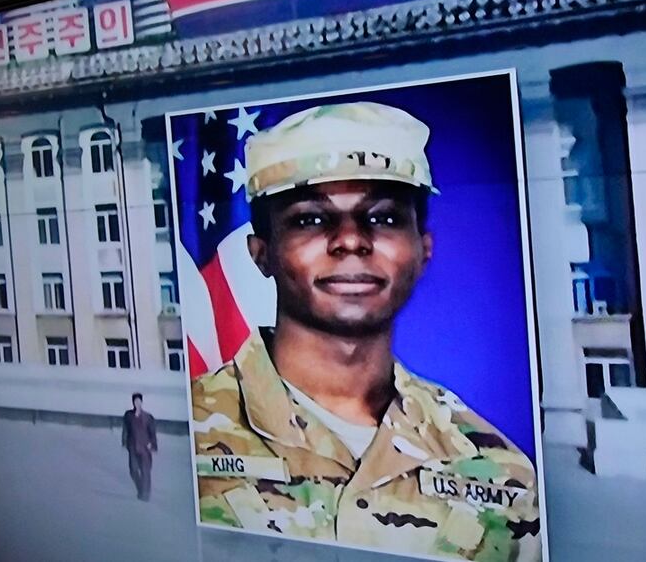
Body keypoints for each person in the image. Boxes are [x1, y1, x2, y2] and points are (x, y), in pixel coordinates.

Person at [190, 103, 540, 561]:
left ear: (423, 250)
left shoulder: (500, 470)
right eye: (311, 218)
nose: (351, 239)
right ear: (261, 253)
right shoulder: (188, 432)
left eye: (384, 217)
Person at [121, 392, 157, 501]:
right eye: (135, 401)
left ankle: (145, 494)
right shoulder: (128, 415)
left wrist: (153, 444)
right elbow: (125, 429)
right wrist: (124, 442)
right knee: (133, 470)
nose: (137, 403)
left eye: (138, 401)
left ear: (141, 402)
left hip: (145, 447)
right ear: (133, 402)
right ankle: (141, 488)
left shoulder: (148, 417)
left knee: (145, 471)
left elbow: (152, 432)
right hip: (132, 446)